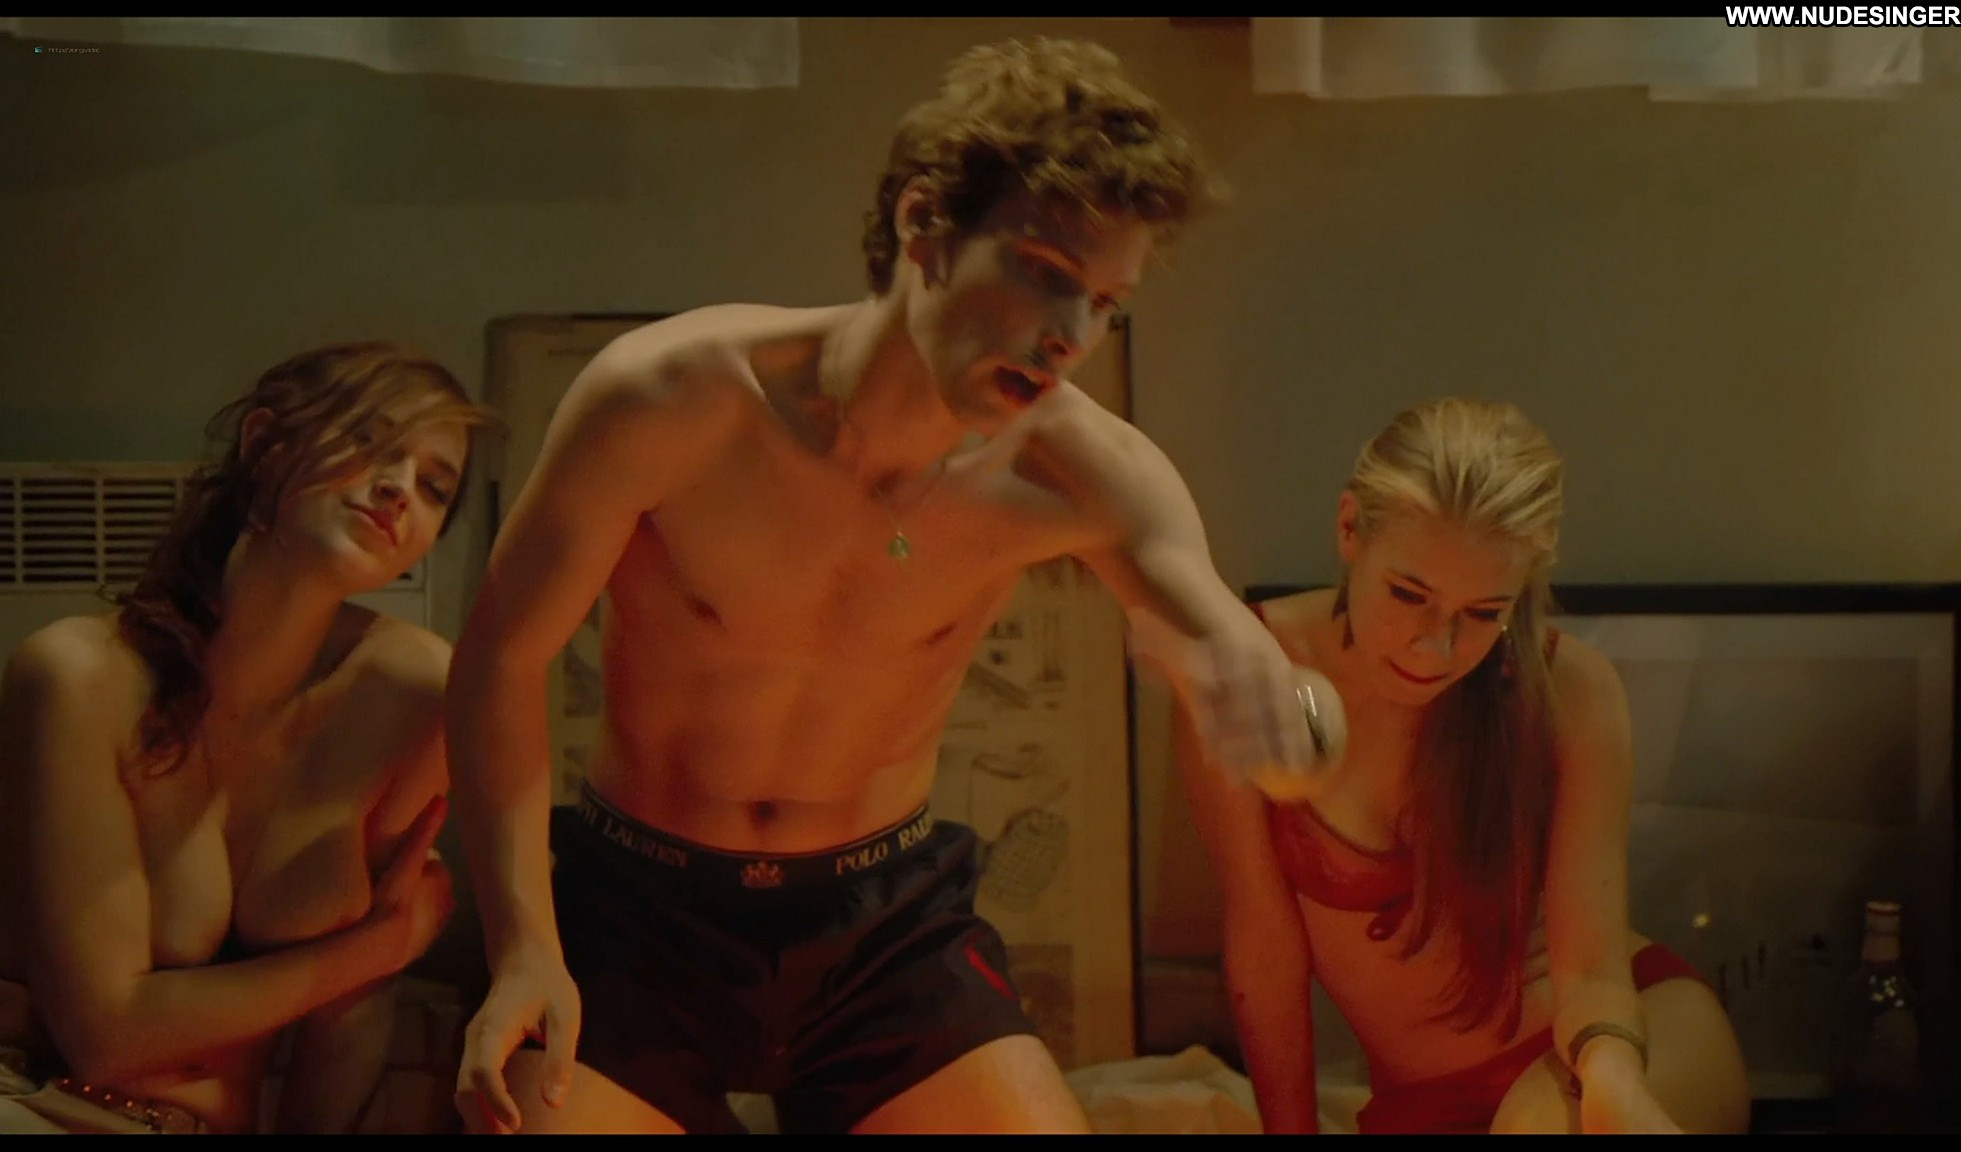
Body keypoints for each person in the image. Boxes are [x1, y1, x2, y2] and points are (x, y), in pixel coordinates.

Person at [448, 37, 1344, 1137]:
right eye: (1045, 274)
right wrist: (523, 946)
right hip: (639, 912)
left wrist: (1271, 689)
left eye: (1104, 303)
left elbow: (1213, 622)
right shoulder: (673, 398)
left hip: (880, 926)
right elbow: (498, 661)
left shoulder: (1084, 473)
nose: (1069, 338)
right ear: (925, 225)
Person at [1178, 397, 1750, 1135]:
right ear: (1349, 528)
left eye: (1483, 613)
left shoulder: (1569, 690)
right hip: (1425, 1102)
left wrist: (1617, 1094)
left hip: (1617, 1039)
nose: (1435, 648)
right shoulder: (1249, 675)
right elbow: (1264, 942)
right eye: (1408, 594)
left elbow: (1591, 966)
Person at [0, 341, 491, 1134]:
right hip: (35, 1104)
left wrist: (373, 964)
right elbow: (105, 1036)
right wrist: (377, 947)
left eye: (435, 486)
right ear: (264, 445)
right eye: (367, 440)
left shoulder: (416, 694)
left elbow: (350, 1020)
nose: (399, 486)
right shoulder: (78, 679)